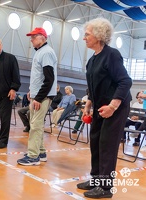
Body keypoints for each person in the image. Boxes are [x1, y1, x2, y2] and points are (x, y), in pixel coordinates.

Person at [76, 18, 132, 199]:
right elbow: (94, 86)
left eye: (87, 34)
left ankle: (105, 188)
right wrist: (88, 104)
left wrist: (113, 106)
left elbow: (125, 81)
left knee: (107, 145)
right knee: (96, 143)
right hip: (100, 107)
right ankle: (96, 180)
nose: (84, 38)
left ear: (99, 36)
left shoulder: (112, 55)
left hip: (115, 108)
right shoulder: (92, 60)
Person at [17, 27, 57, 165]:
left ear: (42, 37)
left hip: (43, 97)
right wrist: (31, 91)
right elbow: (38, 77)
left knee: (35, 125)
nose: (31, 39)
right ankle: (40, 152)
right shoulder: (40, 52)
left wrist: (39, 97)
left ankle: (33, 156)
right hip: (37, 95)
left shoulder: (46, 53)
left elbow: (49, 78)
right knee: (36, 125)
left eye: (34, 37)